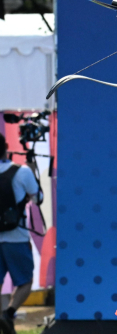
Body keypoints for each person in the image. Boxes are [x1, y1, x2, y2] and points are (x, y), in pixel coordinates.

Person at [0, 133, 41, 334]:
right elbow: (38, 199)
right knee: (25, 282)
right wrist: (33, 173)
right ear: (6, 148)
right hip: (16, 236)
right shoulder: (22, 172)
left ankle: (5, 320)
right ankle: (8, 314)